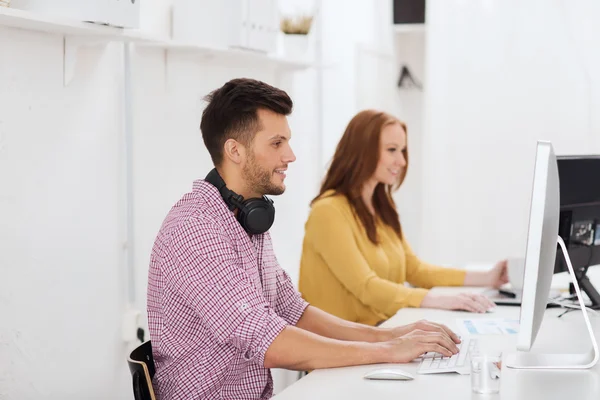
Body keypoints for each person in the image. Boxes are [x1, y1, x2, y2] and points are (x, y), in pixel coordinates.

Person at [147, 80, 462, 400]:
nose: (291, 155)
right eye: (276, 143)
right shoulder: (197, 229)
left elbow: (293, 310)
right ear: (235, 150)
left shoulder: (244, 220)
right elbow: (266, 341)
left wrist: (386, 336)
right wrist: (390, 350)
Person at [298, 110, 509, 327]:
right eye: (391, 150)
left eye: (403, 150)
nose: (401, 161)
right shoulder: (328, 211)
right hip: (341, 344)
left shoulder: (380, 208)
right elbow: (366, 287)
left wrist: (488, 277)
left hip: (380, 331)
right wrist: (439, 300)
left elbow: (415, 270)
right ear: (362, 151)